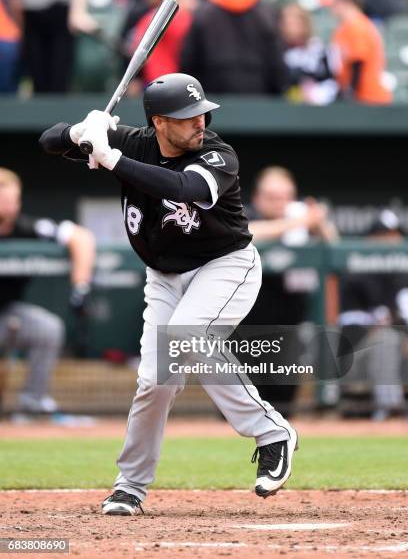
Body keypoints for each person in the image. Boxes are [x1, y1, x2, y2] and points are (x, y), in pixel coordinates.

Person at [40, 72, 298, 515]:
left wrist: (111, 158)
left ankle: (271, 431)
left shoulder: (219, 153)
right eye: (186, 117)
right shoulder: (136, 142)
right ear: (159, 122)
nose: (199, 122)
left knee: (185, 331)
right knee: (153, 381)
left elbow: (184, 188)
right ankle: (130, 487)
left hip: (225, 265)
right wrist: (80, 133)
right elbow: (47, 141)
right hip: (162, 276)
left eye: (202, 113)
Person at [0, 168, 95, 413]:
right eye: (3, 198)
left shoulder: (29, 228)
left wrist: (80, 286)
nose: (9, 205)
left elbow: (80, 236)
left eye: (13, 198)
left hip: (7, 311)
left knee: (48, 328)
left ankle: (34, 401)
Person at [245, 167, 337, 415]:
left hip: (289, 324)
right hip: (246, 326)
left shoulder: (301, 222)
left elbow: (335, 246)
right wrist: (296, 222)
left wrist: (318, 224)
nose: (279, 203)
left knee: (282, 403)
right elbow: (247, 232)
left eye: (285, 196)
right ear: (257, 197)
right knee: (242, 402)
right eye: (272, 197)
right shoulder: (246, 213)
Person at [180, 0, 288, 95]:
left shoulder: (205, 12)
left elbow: (189, 58)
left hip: (212, 88)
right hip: (257, 88)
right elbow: (275, 57)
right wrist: (279, 89)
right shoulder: (265, 13)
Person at [339, 210, 408, 420]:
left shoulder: (404, 275)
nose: (390, 241)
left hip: (401, 358)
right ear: (370, 240)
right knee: (385, 339)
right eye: (382, 236)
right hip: (359, 361)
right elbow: (350, 335)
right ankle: (391, 412)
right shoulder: (356, 276)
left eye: (395, 236)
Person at [331, 0, 393, 105]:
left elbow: (358, 61)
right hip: (362, 98)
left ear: (346, 2)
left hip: (368, 98)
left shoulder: (356, 25)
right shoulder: (346, 27)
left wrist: (350, 93)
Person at [278, 2, 338, 105]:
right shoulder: (278, 51)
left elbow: (330, 82)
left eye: (296, 23)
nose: (292, 28)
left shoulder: (318, 49)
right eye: (288, 24)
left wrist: (316, 95)